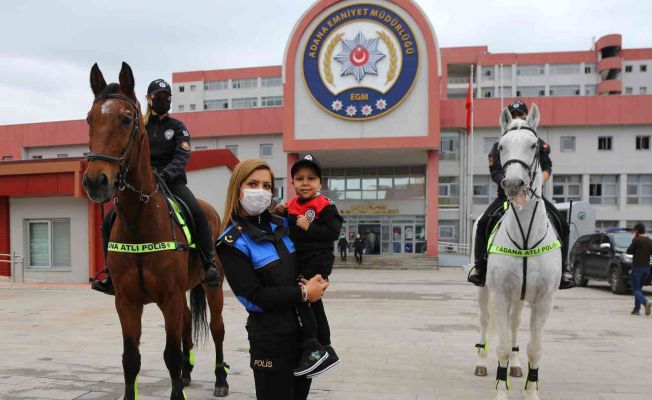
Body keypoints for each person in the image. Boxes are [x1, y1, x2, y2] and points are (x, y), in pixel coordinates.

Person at [91, 79, 219, 295]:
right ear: (149, 99)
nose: (163, 100)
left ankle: (208, 263)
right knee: (108, 221)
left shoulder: (177, 127)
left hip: (172, 181)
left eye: (166, 97)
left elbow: (182, 156)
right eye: (158, 96)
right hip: (142, 184)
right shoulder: (139, 126)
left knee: (197, 212)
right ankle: (110, 273)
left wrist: (166, 174)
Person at [216, 159, 329, 399]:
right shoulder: (232, 242)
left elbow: (315, 251)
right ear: (238, 188)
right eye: (253, 183)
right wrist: (303, 294)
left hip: (305, 333)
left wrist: (319, 279)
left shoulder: (283, 223)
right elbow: (253, 297)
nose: (262, 190)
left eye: (267, 186)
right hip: (271, 339)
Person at [467, 100, 575, 290]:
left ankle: (564, 270)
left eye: (520, 115)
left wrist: (537, 183)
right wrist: (506, 183)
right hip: (506, 195)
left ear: (527, 117)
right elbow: (495, 170)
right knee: (484, 223)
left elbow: (547, 167)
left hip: (533, 195)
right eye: (513, 115)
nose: (517, 119)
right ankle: (480, 268)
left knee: (563, 224)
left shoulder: (538, 143)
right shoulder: (500, 144)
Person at [277, 154, 342, 378]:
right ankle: (322, 347)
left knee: (307, 300)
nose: (305, 183)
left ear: (319, 183)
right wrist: (279, 213)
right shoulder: (291, 205)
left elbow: (333, 233)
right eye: (300, 178)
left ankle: (317, 348)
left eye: (311, 178)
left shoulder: (325, 205)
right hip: (300, 260)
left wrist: (308, 227)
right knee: (308, 302)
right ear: (292, 182)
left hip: (317, 261)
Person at [626, 223, 652, 315]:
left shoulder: (636, 240)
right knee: (639, 289)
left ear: (637, 231)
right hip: (647, 269)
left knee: (635, 289)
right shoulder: (649, 240)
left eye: (634, 230)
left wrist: (633, 239)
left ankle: (645, 302)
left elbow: (629, 251)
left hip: (637, 268)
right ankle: (636, 309)